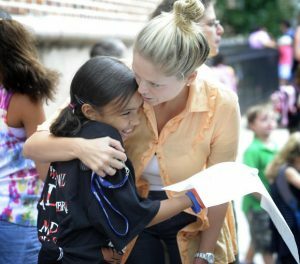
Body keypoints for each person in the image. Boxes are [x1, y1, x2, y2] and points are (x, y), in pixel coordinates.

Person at [24, 0, 241, 263]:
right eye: (137, 75)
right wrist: (82, 147)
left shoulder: (221, 104)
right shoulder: (118, 81)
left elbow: (220, 184)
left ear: (190, 78)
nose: (142, 89)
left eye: (156, 84)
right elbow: (34, 144)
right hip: (129, 221)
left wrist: (205, 253)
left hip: (195, 219)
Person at [37, 56, 203, 264]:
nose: (134, 121)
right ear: (90, 111)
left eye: (138, 111)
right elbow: (134, 217)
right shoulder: (106, 149)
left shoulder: (70, 133)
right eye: (125, 113)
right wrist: (193, 198)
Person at [0, 10, 58, 264]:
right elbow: (44, 166)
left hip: (15, 216)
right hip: (18, 214)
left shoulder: (20, 97)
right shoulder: (23, 97)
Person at [241, 104, 277, 264]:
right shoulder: (253, 150)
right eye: (264, 119)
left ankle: (247, 261)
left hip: (271, 204)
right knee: (266, 245)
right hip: (257, 206)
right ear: (252, 125)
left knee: (257, 239)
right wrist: (266, 201)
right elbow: (248, 182)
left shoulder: (275, 147)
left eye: (272, 118)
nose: (269, 122)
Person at [265, 132, 300, 264]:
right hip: (291, 227)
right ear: (296, 155)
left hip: (287, 225)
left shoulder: (283, 168)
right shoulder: (288, 171)